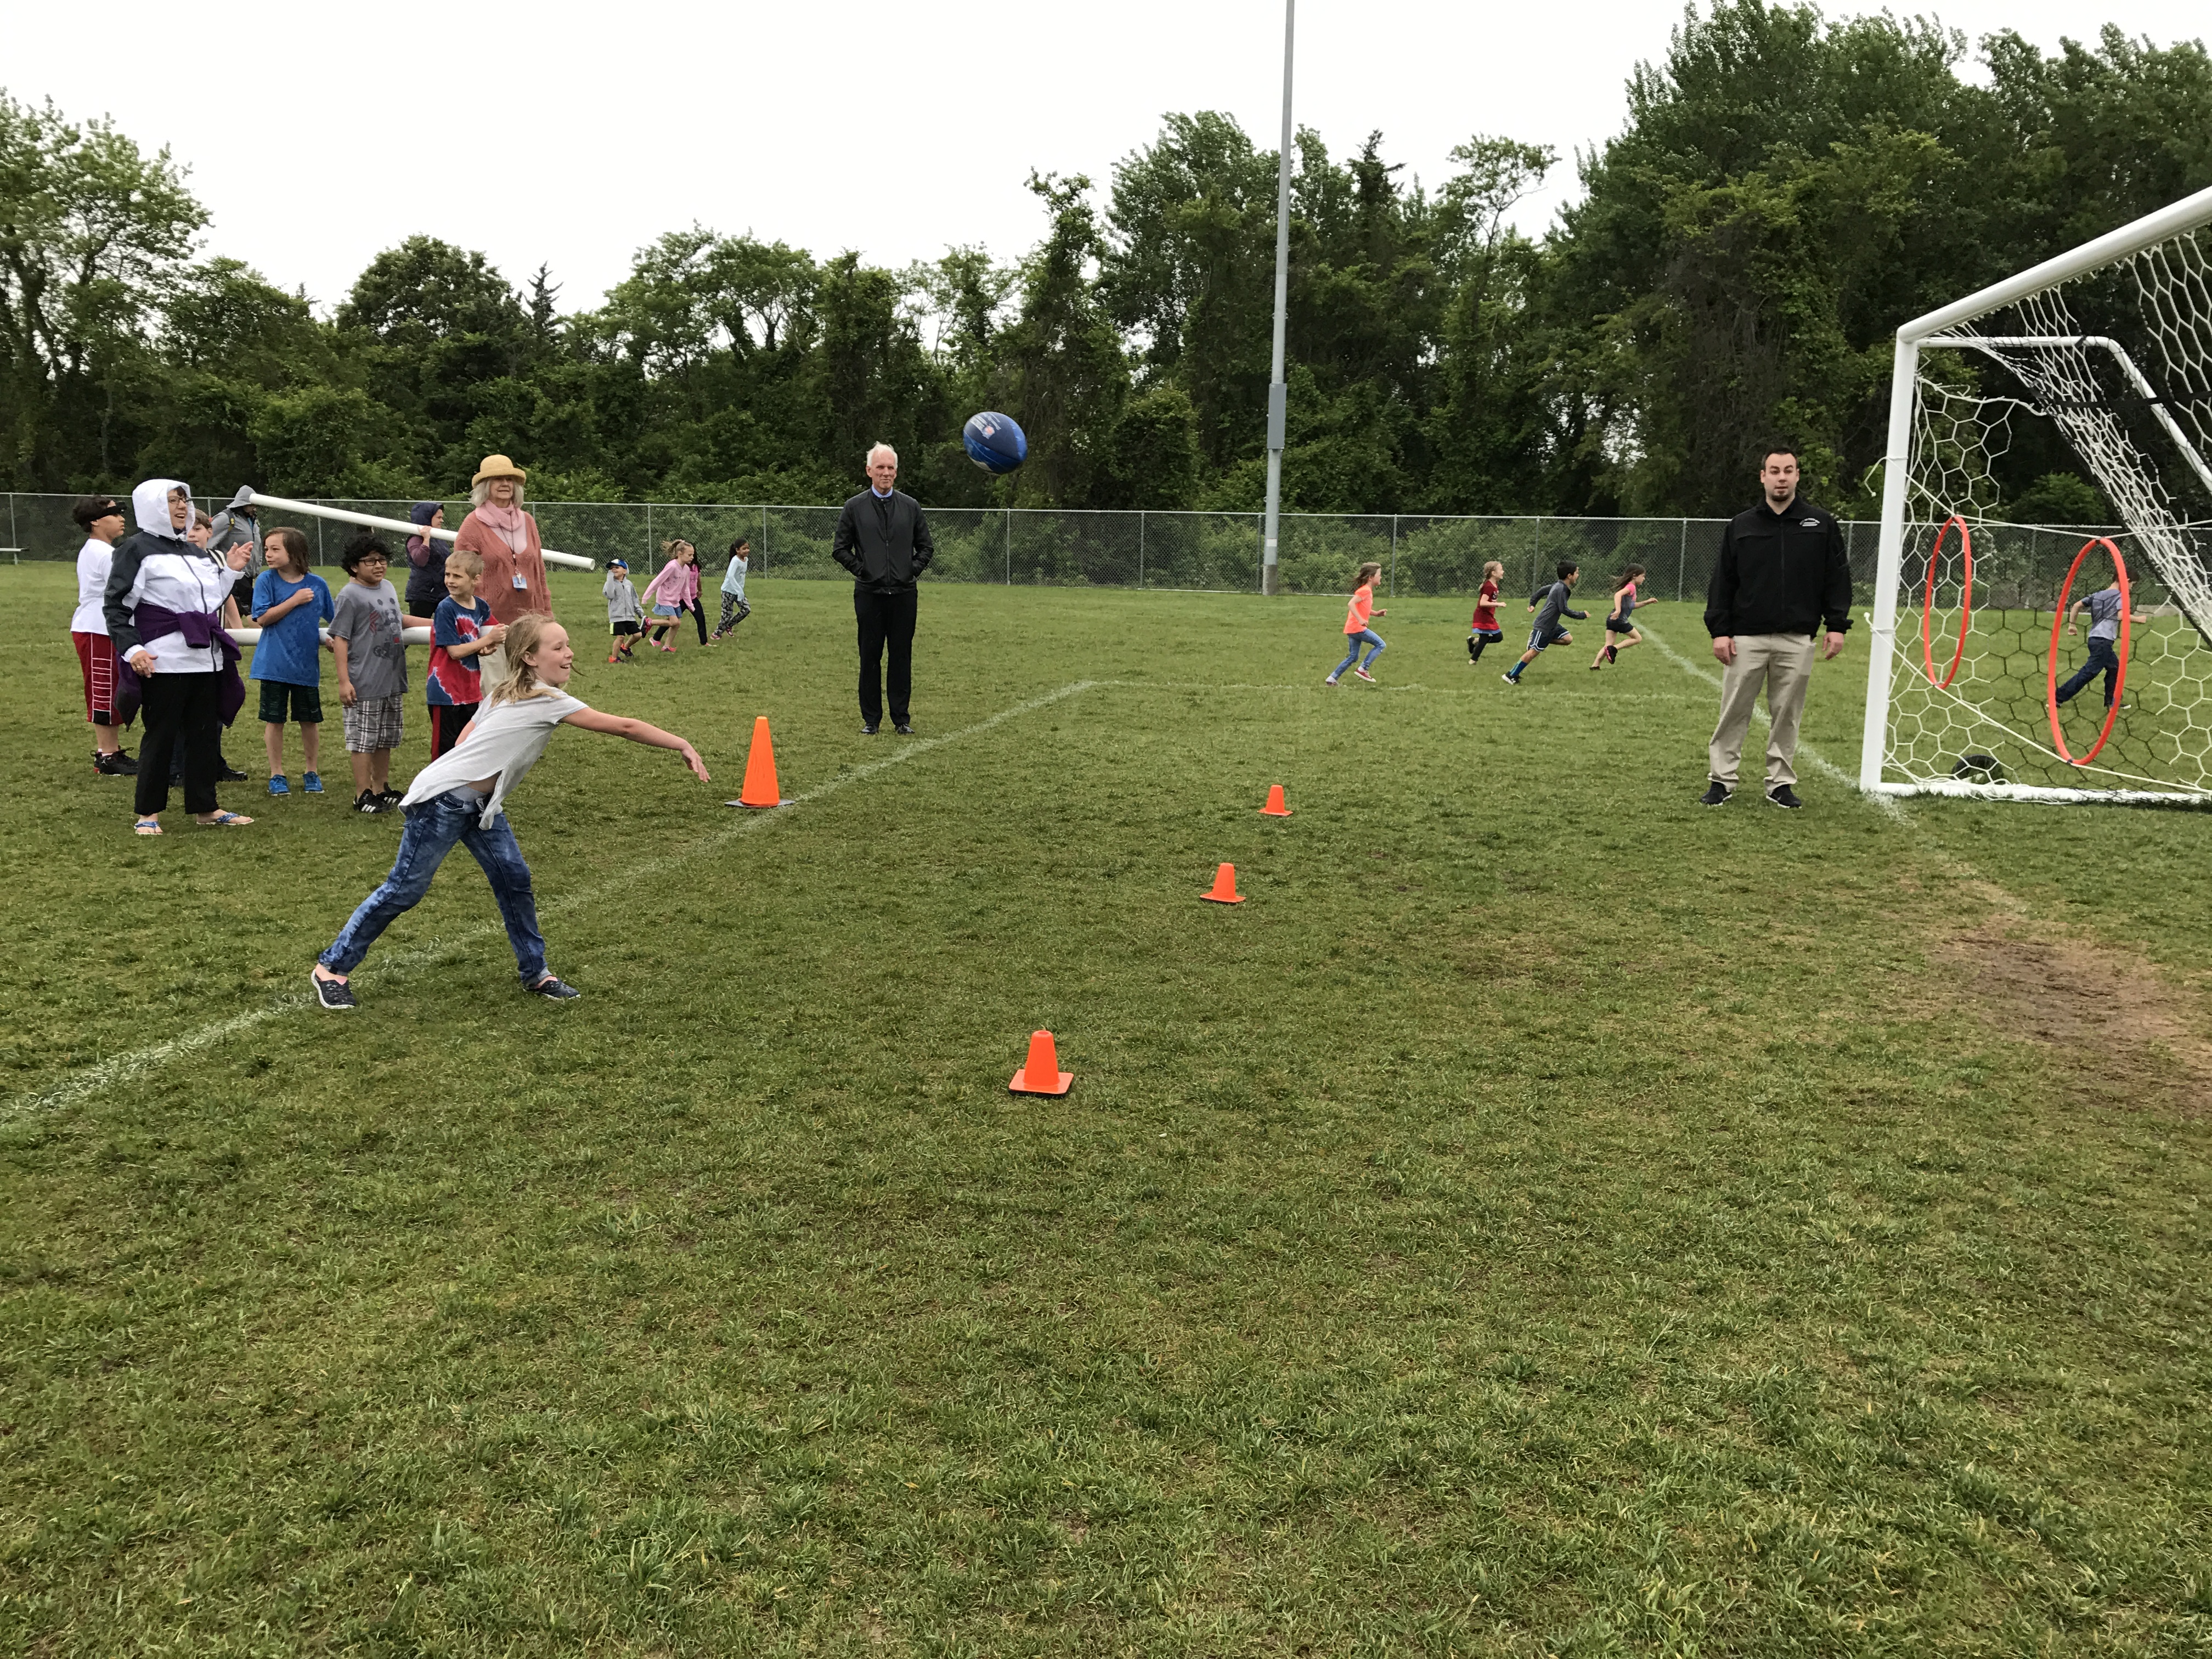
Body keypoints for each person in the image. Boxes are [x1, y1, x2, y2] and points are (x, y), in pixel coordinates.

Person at [308, 616, 710, 1011]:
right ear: (530, 659)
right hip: (443, 803)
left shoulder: (510, 690)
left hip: (482, 807)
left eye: (568, 645)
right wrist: (682, 744)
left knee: (514, 878)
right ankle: (332, 969)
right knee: (404, 889)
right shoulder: (542, 698)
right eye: (559, 648)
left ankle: (536, 973)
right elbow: (623, 726)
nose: (570, 654)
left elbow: (468, 733)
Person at [103, 478, 256, 833]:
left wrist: (231, 571)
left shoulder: (194, 552)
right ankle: (148, 814)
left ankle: (207, 808)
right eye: (173, 501)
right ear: (153, 505)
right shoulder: (136, 550)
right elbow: (116, 605)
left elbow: (205, 602)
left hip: (205, 660)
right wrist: (133, 649)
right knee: (161, 737)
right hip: (163, 662)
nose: (182, 507)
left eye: (185, 500)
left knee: (204, 736)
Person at [1701, 445, 1851, 809]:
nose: (1781, 477)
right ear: (1763, 477)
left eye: (1788, 470)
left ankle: (1780, 783)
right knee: (1734, 711)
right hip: (1745, 638)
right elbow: (1724, 580)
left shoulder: (1821, 524)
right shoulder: (1742, 525)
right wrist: (1720, 630)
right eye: (1774, 470)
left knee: (1788, 714)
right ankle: (1722, 780)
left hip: (1797, 637)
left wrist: (1836, 625)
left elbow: (1836, 578)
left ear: (1798, 475)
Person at [832, 443, 935, 735]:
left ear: (896, 472)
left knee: (901, 656)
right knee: (870, 656)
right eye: (880, 467)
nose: (886, 473)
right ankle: (871, 720)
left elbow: (926, 547)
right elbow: (840, 549)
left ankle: (901, 719)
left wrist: (909, 571)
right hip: (870, 596)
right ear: (869, 471)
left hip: (904, 596)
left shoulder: (911, 507)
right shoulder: (855, 507)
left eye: (890, 468)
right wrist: (864, 570)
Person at [330, 532, 431, 814]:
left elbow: (400, 620)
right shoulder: (349, 595)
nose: (378, 566)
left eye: (382, 560)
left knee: (385, 738)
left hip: (391, 678)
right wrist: (344, 681)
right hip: (364, 681)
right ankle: (362, 794)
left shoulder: (386, 587)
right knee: (364, 740)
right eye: (371, 561)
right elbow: (339, 637)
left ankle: (380, 788)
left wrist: (441, 623)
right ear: (354, 566)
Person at [248, 526, 335, 795]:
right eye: (267, 549)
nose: (269, 554)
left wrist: (332, 639)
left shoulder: (318, 584)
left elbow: (336, 620)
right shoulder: (266, 580)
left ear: (295, 552)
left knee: (309, 721)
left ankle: (312, 772)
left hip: (306, 667)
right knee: (275, 721)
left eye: (276, 549)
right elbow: (261, 618)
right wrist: (294, 600)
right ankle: (277, 775)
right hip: (273, 666)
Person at [452, 455, 549, 685]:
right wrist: (470, 622)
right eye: (498, 479)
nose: (505, 484)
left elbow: (539, 571)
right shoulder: (472, 525)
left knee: (531, 687)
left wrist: (547, 615)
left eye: (509, 479)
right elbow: (460, 577)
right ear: (486, 486)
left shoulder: (527, 521)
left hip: (530, 620)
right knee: (497, 689)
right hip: (491, 623)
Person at [70, 494, 138, 776]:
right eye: (115, 513)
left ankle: (110, 751)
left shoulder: (103, 550)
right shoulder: (102, 553)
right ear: (96, 521)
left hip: (102, 627)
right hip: (98, 628)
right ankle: (108, 755)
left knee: (112, 687)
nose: (122, 518)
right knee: (105, 691)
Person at [426, 548, 505, 758]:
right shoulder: (446, 608)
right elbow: (454, 652)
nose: (450, 581)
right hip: (445, 693)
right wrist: (486, 640)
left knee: (467, 747)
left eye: (457, 576)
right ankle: (438, 789)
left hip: (470, 690)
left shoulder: (481, 606)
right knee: (445, 751)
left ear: (475, 580)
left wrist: (486, 648)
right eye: (447, 575)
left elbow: (491, 634)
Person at [2056, 581, 2146, 710]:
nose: (2131, 588)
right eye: (2132, 584)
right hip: (2103, 640)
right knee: (2089, 672)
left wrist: (2072, 624)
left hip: (2095, 638)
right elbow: (2121, 615)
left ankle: (2112, 702)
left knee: (2114, 667)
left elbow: (2076, 606)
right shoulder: (2120, 595)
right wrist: (2139, 619)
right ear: (2126, 581)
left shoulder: (2098, 594)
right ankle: (2058, 697)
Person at [1502, 561, 1586, 685]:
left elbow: (1541, 591)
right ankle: (1511, 675)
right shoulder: (1560, 589)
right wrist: (1581, 615)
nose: (1578, 575)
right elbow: (1564, 609)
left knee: (1568, 639)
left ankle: (1541, 641)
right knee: (1533, 652)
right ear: (1569, 576)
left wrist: (1532, 603)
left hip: (1552, 625)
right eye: (1577, 573)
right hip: (1544, 626)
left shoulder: (1558, 586)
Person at [1325, 562, 1389, 685]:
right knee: (1381, 645)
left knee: (1353, 657)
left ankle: (1332, 678)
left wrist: (1376, 614)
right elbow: (1351, 604)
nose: (1381, 578)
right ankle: (1363, 668)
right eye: (1379, 575)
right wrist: (1360, 620)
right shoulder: (1365, 591)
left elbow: (1363, 608)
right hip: (1357, 628)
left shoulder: (1367, 591)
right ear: (1371, 577)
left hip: (1352, 628)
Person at [1590, 563, 1649, 669]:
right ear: (1635, 576)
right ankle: (1615, 649)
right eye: (1643, 576)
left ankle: (1595, 665)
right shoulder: (1631, 587)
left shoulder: (1629, 587)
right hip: (1620, 620)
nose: (1644, 579)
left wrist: (1647, 602)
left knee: (1607, 645)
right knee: (1638, 638)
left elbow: (1631, 606)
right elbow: (1618, 595)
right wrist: (1618, 610)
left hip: (1612, 619)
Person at [639, 540, 693, 652]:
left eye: (693, 555)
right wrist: (646, 597)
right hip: (665, 598)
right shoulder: (672, 566)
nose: (692, 557)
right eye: (690, 555)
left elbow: (686, 589)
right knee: (674, 622)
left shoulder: (687, 569)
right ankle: (649, 622)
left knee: (677, 624)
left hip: (674, 600)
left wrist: (690, 605)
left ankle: (667, 647)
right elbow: (658, 581)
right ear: (680, 554)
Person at [403, 501, 451, 619]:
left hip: (441, 593)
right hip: (422, 594)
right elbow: (420, 560)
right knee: (419, 631)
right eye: (439, 517)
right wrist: (426, 539)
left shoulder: (439, 539)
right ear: (427, 518)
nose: (442, 521)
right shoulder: (415, 539)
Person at [207, 486, 261, 572]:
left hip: (249, 575)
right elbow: (207, 542)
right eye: (251, 505)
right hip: (231, 573)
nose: (254, 509)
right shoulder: (226, 518)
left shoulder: (253, 521)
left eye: (256, 506)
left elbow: (257, 547)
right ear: (242, 505)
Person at [710, 538, 752, 641]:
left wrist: (740, 591)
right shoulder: (735, 561)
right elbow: (731, 576)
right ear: (738, 550)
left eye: (748, 548)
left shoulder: (745, 560)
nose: (747, 550)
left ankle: (729, 626)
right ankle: (716, 634)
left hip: (738, 592)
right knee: (727, 615)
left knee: (746, 609)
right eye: (744, 549)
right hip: (728, 591)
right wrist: (739, 590)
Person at [603, 559, 644, 662]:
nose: (613, 570)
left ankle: (625, 647)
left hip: (629, 616)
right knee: (620, 637)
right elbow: (610, 595)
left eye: (617, 567)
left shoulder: (629, 584)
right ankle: (614, 658)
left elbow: (634, 598)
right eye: (611, 568)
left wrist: (639, 611)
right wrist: (610, 579)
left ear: (625, 571)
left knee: (638, 635)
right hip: (617, 617)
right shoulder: (610, 583)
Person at [1466, 560, 1504, 665]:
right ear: (1493, 573)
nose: (1503, 572)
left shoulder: (1495, 584)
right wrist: (1498, 604)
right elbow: (1482, 603)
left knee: (1498, 637)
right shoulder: (1489, 586)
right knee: (1485, 639)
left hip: (1488, 616)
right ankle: (1473, 660)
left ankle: (1474, 641)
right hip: (1482, 616)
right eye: (1501, 570)